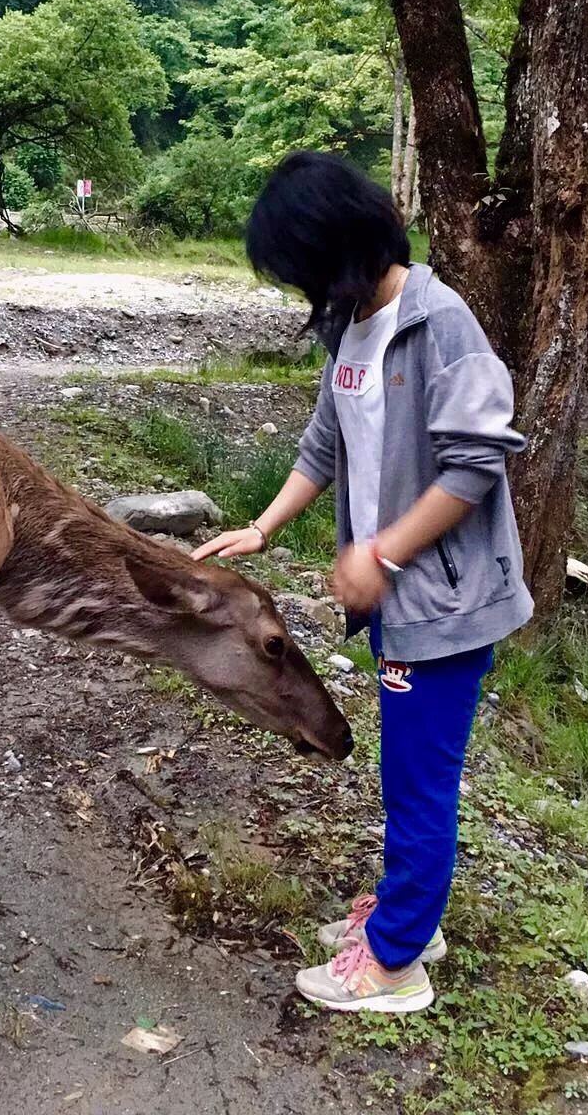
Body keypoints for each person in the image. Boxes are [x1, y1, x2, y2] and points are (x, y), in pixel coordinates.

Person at [193, 150, 533, 1016]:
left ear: (338, 247)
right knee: (408, 771)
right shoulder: (351, 324)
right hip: (396, 599)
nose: (305, 292)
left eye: (301, 270)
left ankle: (396, 965)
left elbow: (476, 464)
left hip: (445, 604)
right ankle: (409, 916)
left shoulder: (443, 324)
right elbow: (324, 443)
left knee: (419, 780)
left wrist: (378, 552)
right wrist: (264, 526)